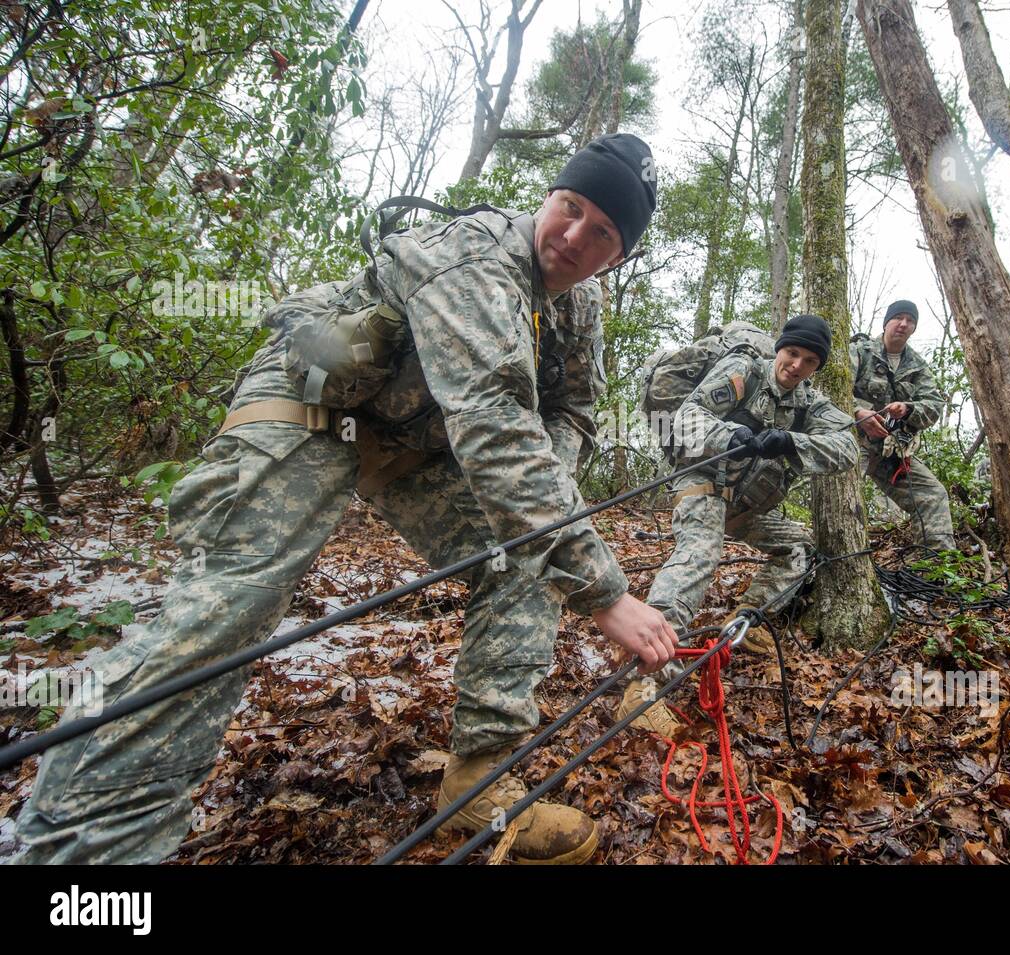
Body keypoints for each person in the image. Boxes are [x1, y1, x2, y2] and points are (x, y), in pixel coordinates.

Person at [11, 134, 675, 866]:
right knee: (233, 607)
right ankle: (79, 854)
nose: (575, 235)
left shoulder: (578, 311)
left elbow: (574, 411)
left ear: (619, 255)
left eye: (603, 232)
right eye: (570, 206)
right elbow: (492, 420)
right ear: (549, 197)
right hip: (314, 405)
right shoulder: (478, 255)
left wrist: (556, 506)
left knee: (528, 558)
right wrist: (606, 590)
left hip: (414, 442)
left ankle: (478, 781)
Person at [619, 314, 859, 732]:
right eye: (792, 353)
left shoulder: (809, 403)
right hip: (703, 482)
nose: (796, 365)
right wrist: (730, 437)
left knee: (797, 548)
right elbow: (687, 416)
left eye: (808, 361)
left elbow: (847, 447)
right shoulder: (744, 369)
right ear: (780, 350)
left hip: (748, 507)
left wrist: (791, 441)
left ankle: (746, 620)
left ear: (816, 368)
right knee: (700, 553)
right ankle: (641, 680)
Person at [849, 299, 956, 551]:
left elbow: (934, 406)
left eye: (910, 321)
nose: (904, 324)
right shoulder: (860, 351)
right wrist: (858, 412)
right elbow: (831, 390)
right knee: (846, 498)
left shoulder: (917, 366)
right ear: (887, 322)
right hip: (853, 444)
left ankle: (936, 568)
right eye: (899, 318)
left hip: (892, 451)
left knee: (933, 494)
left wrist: (908, 409)